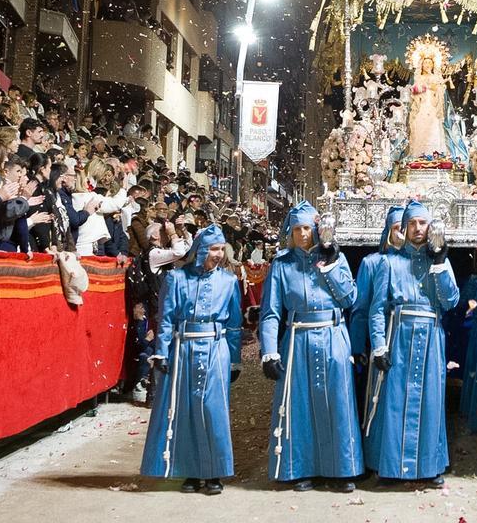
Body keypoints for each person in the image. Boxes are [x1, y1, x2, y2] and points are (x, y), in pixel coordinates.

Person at [258, 201, 362, 492]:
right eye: (297, 229)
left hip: (333, 336)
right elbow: (270, 312)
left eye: (307, 228)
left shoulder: (336, 258)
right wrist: (269, 350)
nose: (303, 234)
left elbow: (350, 299)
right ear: (289, 232)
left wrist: (330, 267)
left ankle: (341, 469)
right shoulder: (281, 265)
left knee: (337, 403)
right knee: (298, 404)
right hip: (298, 338)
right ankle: (299, 467)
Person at [140, 224, 242, 496]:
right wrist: (161, 351)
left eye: (221, 249)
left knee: (213, 411)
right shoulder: (176, 278)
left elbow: (234, 325)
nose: (218, 254)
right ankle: (190, 472)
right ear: (200, 250)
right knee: (184, 410)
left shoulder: (229, 282)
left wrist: (234, 360)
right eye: (213, 248)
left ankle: (214, 472)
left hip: (216, 350)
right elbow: (166, 319)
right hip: (183, 349)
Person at [364, 200, 459, 486]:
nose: (419, 228)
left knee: (430, 400)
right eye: (413, 223)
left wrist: (440, 263)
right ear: (404, 228)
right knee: (394, 400)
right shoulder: (388, 263)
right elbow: (377, 309)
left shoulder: (439, 261)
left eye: (424, 223)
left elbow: (450, 301)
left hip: (430, 337)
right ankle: (391, 467)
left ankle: (429, 467)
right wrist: (379, 345)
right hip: (399, 337)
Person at [349, 205, 403, 406]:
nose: (402, 233)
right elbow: (361, 308)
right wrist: (357, 346)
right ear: (389, 231)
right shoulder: (372, 263)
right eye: (397, 227)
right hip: (380, 335)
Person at [408, 52, 448, 158]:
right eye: (425, 63)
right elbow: (414, 92)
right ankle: (419, 155)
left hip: (433, 105)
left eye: (429, 63)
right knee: (420, 125)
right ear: (421, 64)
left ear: (433, 65)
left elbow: (441, 90)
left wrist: (437, 88)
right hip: (422, 106)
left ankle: (434, 153)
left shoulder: (436, 77)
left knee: (434, 126)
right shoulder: (418, 77)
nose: (427, 65)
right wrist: (426, 87)